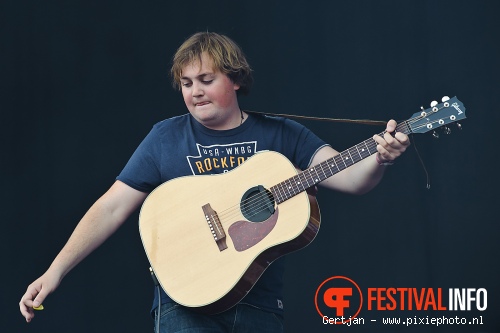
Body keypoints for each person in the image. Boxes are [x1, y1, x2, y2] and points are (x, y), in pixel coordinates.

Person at [19, 32, 410, 332]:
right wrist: (54, 272)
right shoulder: (165, 138)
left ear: (236, 79)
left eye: (206, 79)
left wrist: (380, 157)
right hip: (183, 305)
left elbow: (350, 178)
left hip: (259, 305)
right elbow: (110, 206)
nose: (195, 92)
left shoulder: (281, 135)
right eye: (187, 83)